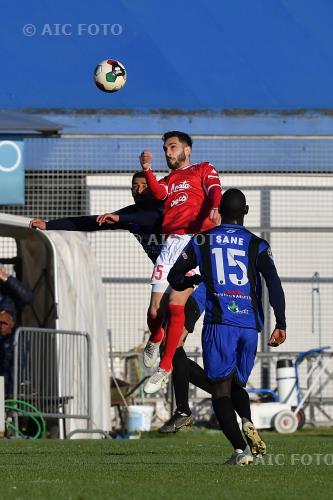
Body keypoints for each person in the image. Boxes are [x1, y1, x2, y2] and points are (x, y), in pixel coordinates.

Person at [168, 188, 286, 465]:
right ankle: (246, 419)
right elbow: (275, 285)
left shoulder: (202, 239)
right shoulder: (258, 245)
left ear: (219, 211)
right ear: (245, 212)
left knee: (219, 389)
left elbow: (175, 276)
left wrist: (191, 281)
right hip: (249, 327)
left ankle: (239, 451)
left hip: (220, 323)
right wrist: (280, 322)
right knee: (236, 385)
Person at [139, 131, 222, 394]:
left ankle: (165, 367)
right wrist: (147, 170)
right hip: (171, 244)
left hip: (195, 244)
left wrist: (216, 205)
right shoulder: (169, 180)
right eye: (165, 149)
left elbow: (214, 188)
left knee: (176, 305)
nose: (168, 152)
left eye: (172, 147)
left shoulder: (203, 169)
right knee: (155, 311)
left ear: (187, 150)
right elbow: (158, 193)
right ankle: (155, 337)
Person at [0, 266, 33, 396]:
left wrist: (6, 278)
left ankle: (14, 402)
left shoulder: (9, 290)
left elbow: (27, 297)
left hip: (10, 343)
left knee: (13, 372)